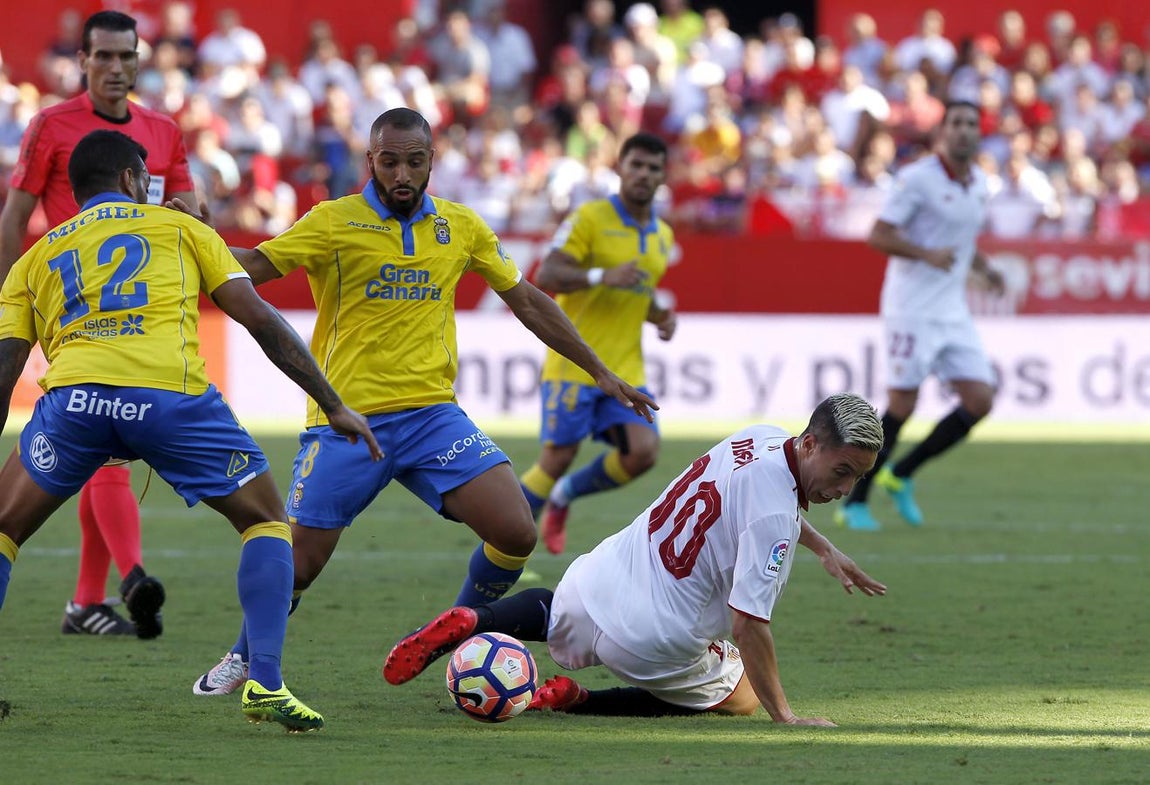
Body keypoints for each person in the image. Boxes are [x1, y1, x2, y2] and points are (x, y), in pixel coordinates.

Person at [189, 107, 656, 697]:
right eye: (390, 162)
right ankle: (241, 656)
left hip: (434, 416)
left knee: (515, 531)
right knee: (298, 565)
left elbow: (529, 301)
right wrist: (202, 237)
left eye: (414, 161)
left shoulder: (460, 227)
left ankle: (455, 633)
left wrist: (601, 372)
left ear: (432, 160)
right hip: (349, 420)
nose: (402, 173)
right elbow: (253, 265)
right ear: (370, 162)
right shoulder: (333, 222)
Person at [0, 129, 382, 731]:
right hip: (169, 401)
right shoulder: (181, 228)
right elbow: (260, 318)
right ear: (131, 180)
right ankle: (266, 684)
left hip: (76, 403)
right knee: (265, 520)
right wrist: (331, 402)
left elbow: (7, 365)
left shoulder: (35, 256)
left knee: (2, 528)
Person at [384, 393, 887, 724]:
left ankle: (479, 618)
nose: (844, 489)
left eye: (856, 479)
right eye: (842, 471)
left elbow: (760, 502)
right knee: (741, 695)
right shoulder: (775, 519)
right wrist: (787, 715)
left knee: (557, 607)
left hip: (596, 582)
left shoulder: (760, 436)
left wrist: (823, 547)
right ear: (810, 443)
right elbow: (748, 623)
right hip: (653, 640)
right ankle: (578, 700)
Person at [0, 10, 198, 638]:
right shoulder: (51, 126)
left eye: (126, 56)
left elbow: (194, 215)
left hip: (145, 316)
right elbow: (15, 217)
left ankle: (86, 601)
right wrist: (12, 305)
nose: (116, 68)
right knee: (110, 448)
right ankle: (133, 574)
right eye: (103, 57)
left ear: (141, 60)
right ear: (82, 61)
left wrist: (192, 215)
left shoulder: (163, 131)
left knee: (104, 451)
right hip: (76, 315)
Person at [835, 101, 1005, 532]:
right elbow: (879, 234)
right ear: (942, 132)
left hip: (952, 311)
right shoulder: (918, 180)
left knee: (980, 400)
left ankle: (902, 473)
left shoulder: (980, 183)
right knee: (902, 405)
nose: (964, 130)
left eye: (971, 123)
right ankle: (854, 501)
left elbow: (961, 240)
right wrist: (926, 255)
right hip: (910, 309)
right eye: (956, 123)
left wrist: (985, 268)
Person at [518, 132, 677, 556]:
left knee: (643, 452)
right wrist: (598, 276)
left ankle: (565, 496)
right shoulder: (589, 218)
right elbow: (548, 273)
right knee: (557, 456)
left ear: (663, 176)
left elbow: (638, 291)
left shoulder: (662, 234)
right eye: (636, 165)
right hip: (575, 364)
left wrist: (659, 315)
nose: (643, 174)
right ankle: (507, 540)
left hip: (625, 368)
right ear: (620, 168)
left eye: (653, 168)